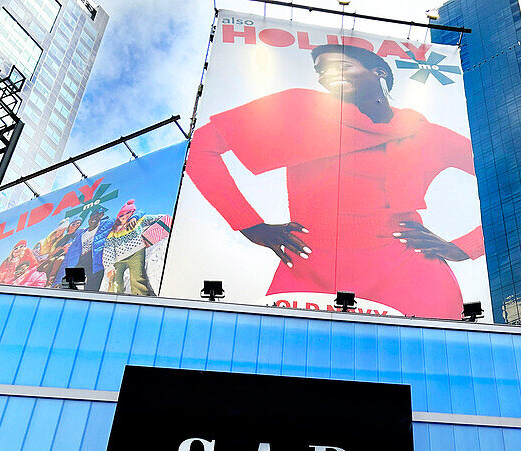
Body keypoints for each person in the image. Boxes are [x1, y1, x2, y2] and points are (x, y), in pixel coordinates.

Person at [186, 43, 484, 319]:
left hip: (411, 275)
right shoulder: (299, 109)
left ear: (379, 71)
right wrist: (250, 224)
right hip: (311, 270)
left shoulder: (429, 135)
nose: (328, 76)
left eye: (341, 66)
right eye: (321, 71)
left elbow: (518, 181)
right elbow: (198, 148)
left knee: (430, 371)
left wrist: (464, 247)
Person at [101, 200, 173, 296]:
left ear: (133, 213)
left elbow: (161, 217)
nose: (125, 216)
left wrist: (151, 234)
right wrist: (109, 266)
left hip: (136, 252)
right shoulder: (114, 231)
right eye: (121, 215)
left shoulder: (139, 221)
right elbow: (108, 248)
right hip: (119, 259)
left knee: (137, 277)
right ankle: (112, 299)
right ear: (118, 217)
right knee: (115, 280)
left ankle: (141, 297)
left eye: (128, 213)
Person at [62, 207, 112, 290]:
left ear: (101, 216)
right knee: (70, 290)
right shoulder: (80, 235)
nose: (94, 218)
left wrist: (134, 217)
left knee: (91, 291)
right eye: (93, 216)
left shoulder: (105, 226)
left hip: (95, 263)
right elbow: (68, 257)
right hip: (79, 263)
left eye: (98, 216)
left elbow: (123, 217)